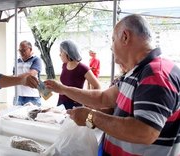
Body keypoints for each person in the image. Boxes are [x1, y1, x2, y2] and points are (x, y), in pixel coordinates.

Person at [45, 14, 180, 156]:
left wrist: (91, 117)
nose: (111, 47)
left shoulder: (156, 73)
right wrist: (63, 89)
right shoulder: (136, 72)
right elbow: (102, 98)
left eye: (113, 39)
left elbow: (144, 132)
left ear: (125, 37)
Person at [58, 40, 100, 110]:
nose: (59, 54)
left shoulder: (82, 68)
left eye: (61, 52)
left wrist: (89, 101)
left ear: (67, 52)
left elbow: (97, 86)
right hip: (61, 103)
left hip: (75, 105)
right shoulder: (64, 65)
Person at [15, 40, 43, 106]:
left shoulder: (36, 60)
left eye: (24, 50)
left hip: (32, 96)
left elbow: (30, 75)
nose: (21, 52)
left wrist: (15, 78)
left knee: (33, 115)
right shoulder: (17, 61)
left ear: (30, 49)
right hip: (18, 96)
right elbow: (14, 75)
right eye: (20, 50)